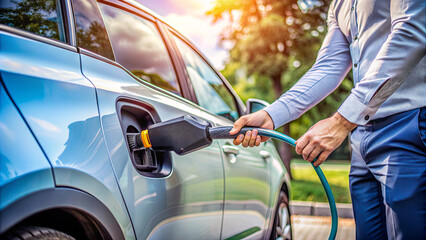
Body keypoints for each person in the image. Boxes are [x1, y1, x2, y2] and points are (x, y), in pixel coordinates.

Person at [230, 0, 426, 239]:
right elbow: (329, 65)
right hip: (362, 135)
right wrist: (273, 114)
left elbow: (412, 32)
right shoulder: (339, 5)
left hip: (409, 125)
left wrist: (341, 122)